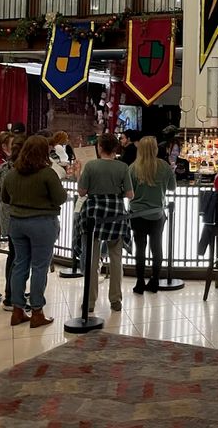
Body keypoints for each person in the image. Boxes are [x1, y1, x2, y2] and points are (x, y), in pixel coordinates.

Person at [0, 135, 67, 327]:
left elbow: (5, 197)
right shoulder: (47, 174)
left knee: (20, 264)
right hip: (42, 223)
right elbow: (60, 198)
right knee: (39, 267)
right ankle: (37, 311)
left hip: (17, 222)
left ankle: (17, 310)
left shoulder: (12, 173)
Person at [77, 132, 134, 312]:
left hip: (93, 214)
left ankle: (90, 301)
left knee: (92, 260)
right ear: (116, 148)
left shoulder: (91, 166)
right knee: (116, 258)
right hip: (116, 214)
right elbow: (130, 194)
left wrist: (79, 174)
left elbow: (82, 192)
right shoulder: (123, 167)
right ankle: (115, 299)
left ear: (99, 147)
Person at [129, 136, 176, 294]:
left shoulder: (133, 168)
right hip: (157, 213)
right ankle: (155, 280)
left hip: (137, 213)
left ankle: (140, 282)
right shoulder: (164, 166)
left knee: (140, 248)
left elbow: (129, 193)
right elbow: (172, 188)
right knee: (157, 247)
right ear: (155, 149)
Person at [0, 134, 27, 311]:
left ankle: (12, 293)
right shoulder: (23, 171)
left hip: (6, 215)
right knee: (20, 257)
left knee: (14, 255)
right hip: (21, 216)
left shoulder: (2, 168)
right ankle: (13, 296)